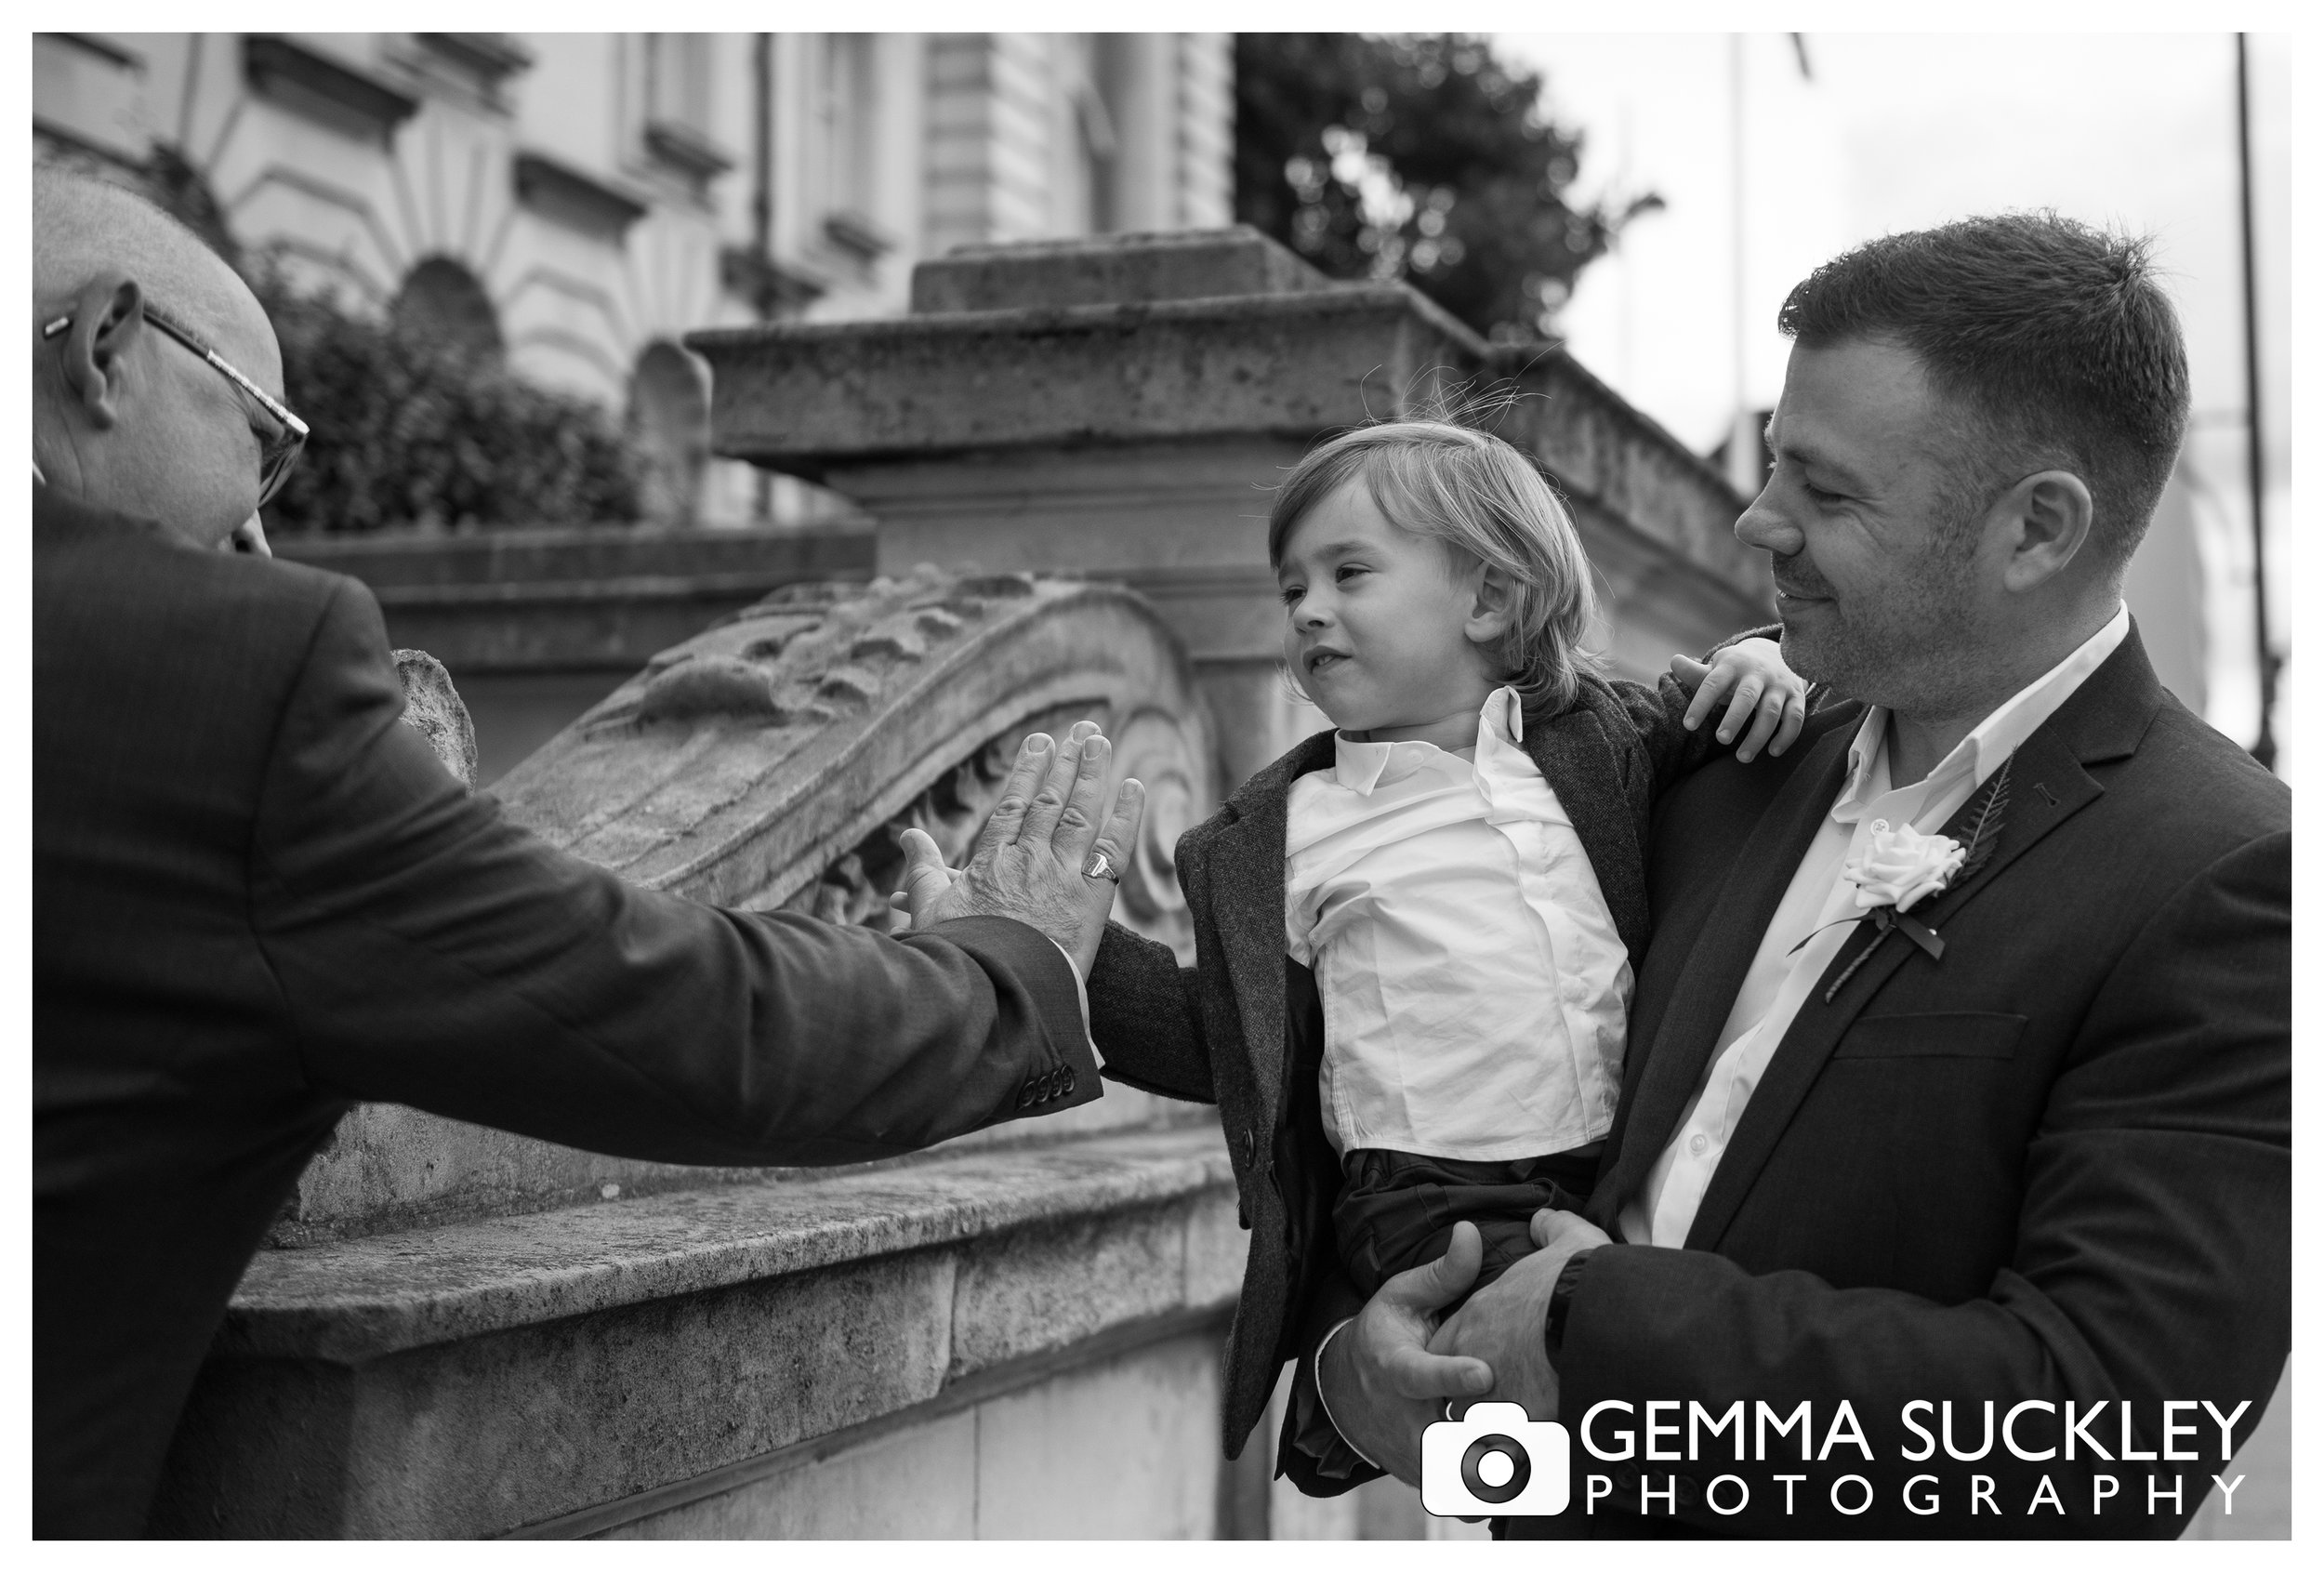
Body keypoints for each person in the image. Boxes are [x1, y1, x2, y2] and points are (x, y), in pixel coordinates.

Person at [32, 168, 1144, 1538]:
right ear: (104, 350)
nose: (265, 526)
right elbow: (676, 1017)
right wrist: (1006, 970)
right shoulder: (219, 680)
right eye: (264, 439)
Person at [1298, 216, 2291, 1537]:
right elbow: (1425, 1027)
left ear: (2038, 530)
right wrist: (1352, 1379)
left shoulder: (2225, 875)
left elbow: (2110, 1443)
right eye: (1774, 464)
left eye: (1825, 493)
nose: (1755, 520)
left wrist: (1604, 1329)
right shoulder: (1723, 761)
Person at [997, 416, 1809, 1479]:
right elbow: (1225, 1037)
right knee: (1566, 1401)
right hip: (1432, 1194)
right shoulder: (1285, 834)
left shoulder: (1595, 743)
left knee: (1666, 1374)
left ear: (1491, 600)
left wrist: (1760, 663)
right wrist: (1057, 948)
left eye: (1348, 573)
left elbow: (1710, 715)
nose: (1308, 611)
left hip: (1614, 1166)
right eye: (1293, 589)